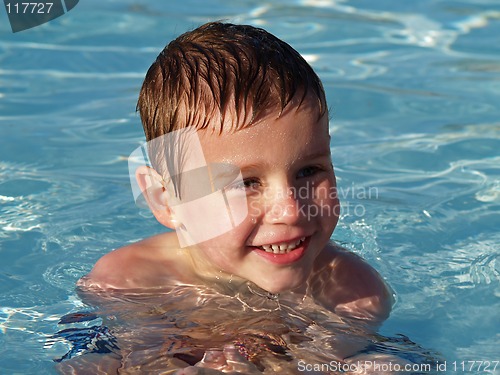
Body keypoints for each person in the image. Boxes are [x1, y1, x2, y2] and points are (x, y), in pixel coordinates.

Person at [77, 22, 394, 373]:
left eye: (308, 171)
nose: (289, 209)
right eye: (246, 183)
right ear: (165, 198)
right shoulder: (127, 282)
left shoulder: (349, 292)